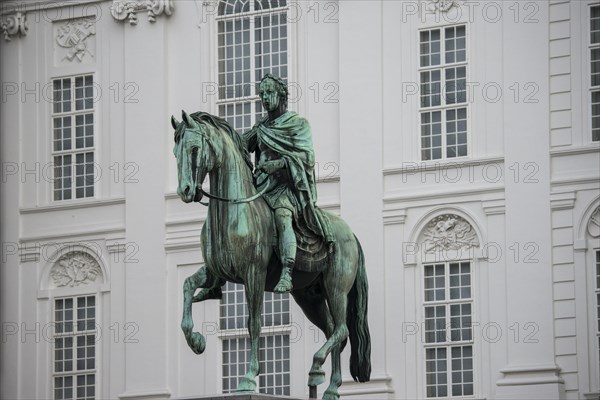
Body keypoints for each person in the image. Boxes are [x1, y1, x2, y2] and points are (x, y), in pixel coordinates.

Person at [244, 74, 333, 293]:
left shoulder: (297, 123)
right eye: (262, 94)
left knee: (282, 216)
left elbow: (306, 157)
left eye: (269, 93)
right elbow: (241, 145)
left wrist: (278, 165)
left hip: (287, 186)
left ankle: (286, 271)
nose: (265, 98)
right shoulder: (261, 127)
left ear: (281, 94)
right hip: (260, 187)